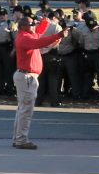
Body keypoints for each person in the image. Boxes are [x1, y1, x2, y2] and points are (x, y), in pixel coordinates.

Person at [11, 12, 65, 151]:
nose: (34, 26)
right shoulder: (24, 38)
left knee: (22, 109)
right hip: (26, 77)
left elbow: (39, 34)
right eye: (32, 24)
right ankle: (21, 140)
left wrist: (45, 22)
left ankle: (18, 138)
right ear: (23, 26)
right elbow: (39, 42)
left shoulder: (27, 35)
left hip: (27, 77)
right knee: (26, 110)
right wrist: (58, 35)